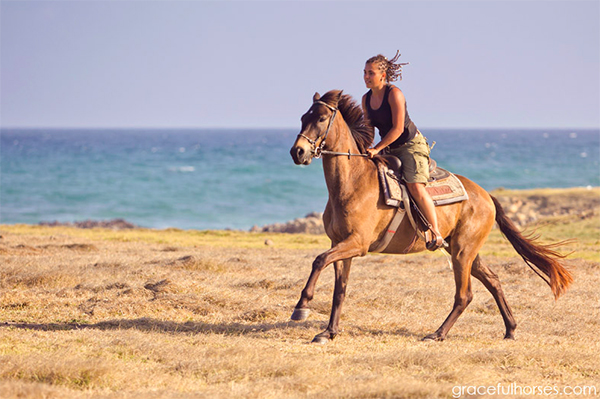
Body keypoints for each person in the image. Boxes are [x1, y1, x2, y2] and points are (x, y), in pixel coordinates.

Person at [362, 51, 444, 251]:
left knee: (415, 186)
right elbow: (368, 129)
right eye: (364, 72)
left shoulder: (394, 94)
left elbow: (398, 129)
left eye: (370, 73)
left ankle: (436, 232)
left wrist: (377, 149)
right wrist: (365, 147)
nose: (366, 77)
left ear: (383, 75)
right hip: (388, 147)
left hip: (410, 145)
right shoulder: (366, 99)